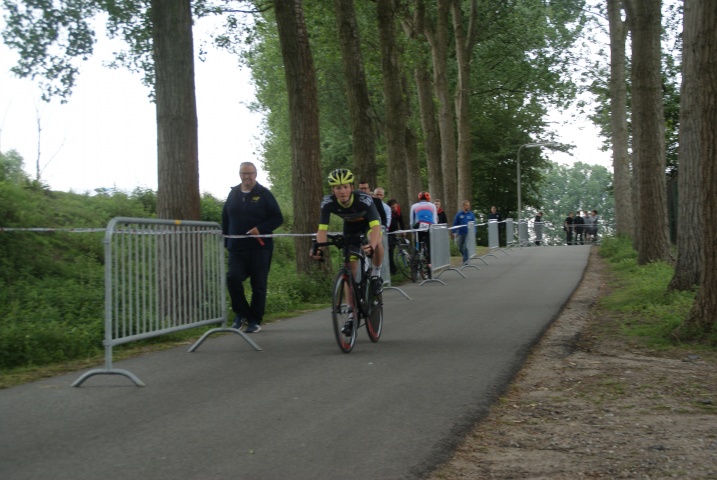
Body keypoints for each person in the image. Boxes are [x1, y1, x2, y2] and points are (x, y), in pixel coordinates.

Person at [312, 169, 384, 334]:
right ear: (333, 190)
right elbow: (322, 229)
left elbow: (376, 227)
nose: (342, 191)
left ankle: (376, 274)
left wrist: (372, 245)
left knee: (377, 242)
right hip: (350, 228)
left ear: (351, 187)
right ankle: (352, 314)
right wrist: (319, 247)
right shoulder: (328, 202)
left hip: (369, 224)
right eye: (338, 188)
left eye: (345, 187)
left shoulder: (363, 199)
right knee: (350, 271)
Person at [222, 162, 284, 333]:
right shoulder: (233, 193)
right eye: (244, 173)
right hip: (237, 248)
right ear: (239, 174)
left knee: (258, 284)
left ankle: (255, 320)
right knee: (233, 278)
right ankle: (241, 313)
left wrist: (261, 229)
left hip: (260, 248)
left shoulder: (264, 194)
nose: (247, 177)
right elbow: (225, 218)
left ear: (255, 174)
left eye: (250, 173)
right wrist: (227, 241)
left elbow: (277, 218)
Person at [410, 191, 438, 264]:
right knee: (429, 246)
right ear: (428, 198)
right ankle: (430, 264)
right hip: (429, 227)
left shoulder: (414, 206)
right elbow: (434, 220)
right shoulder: (432, 206)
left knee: (417, 245)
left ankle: (415, 261)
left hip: (418, 226)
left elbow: (411, 221)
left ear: (419, 198)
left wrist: (413, 231)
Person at [452, 200, 476, 264]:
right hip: (461, 233)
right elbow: (455, 223)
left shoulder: (471, 214)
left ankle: (466, 261)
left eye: (469, 205)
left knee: (466, 246)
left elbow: (474, 224)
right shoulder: (459, 214)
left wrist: (474, 232)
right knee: (460, 247)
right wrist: (454, 231)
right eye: (467, 205)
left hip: (468, 233)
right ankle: (465, 257)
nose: (468, 206)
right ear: (463, 206)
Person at [387, 198, 405, 275]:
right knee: (389, 251)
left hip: (393, 233)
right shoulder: (387, 212)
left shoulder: (398, 212)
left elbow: (401, 221)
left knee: (391, 249)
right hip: (388, 232)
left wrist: (403, 230)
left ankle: (392, 269)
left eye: (395, 207)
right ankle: (392, 269)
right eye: (393, 207)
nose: (394, 209)